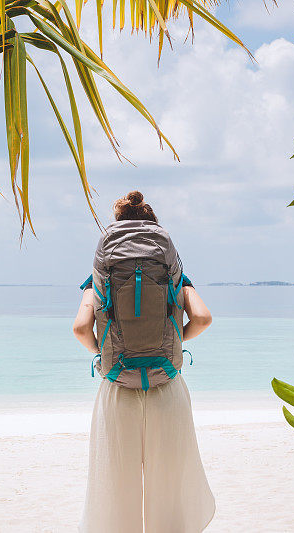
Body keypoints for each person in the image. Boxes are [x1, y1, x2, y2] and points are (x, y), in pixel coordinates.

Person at [73, 191, 215, 533]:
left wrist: (100, 352)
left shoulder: (100, 279)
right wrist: (177, 337)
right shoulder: (175, 277)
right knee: (168, 485)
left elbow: (79, 328)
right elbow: (203, 318)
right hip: (167, 388)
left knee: (116, 487)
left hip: (117, 390)